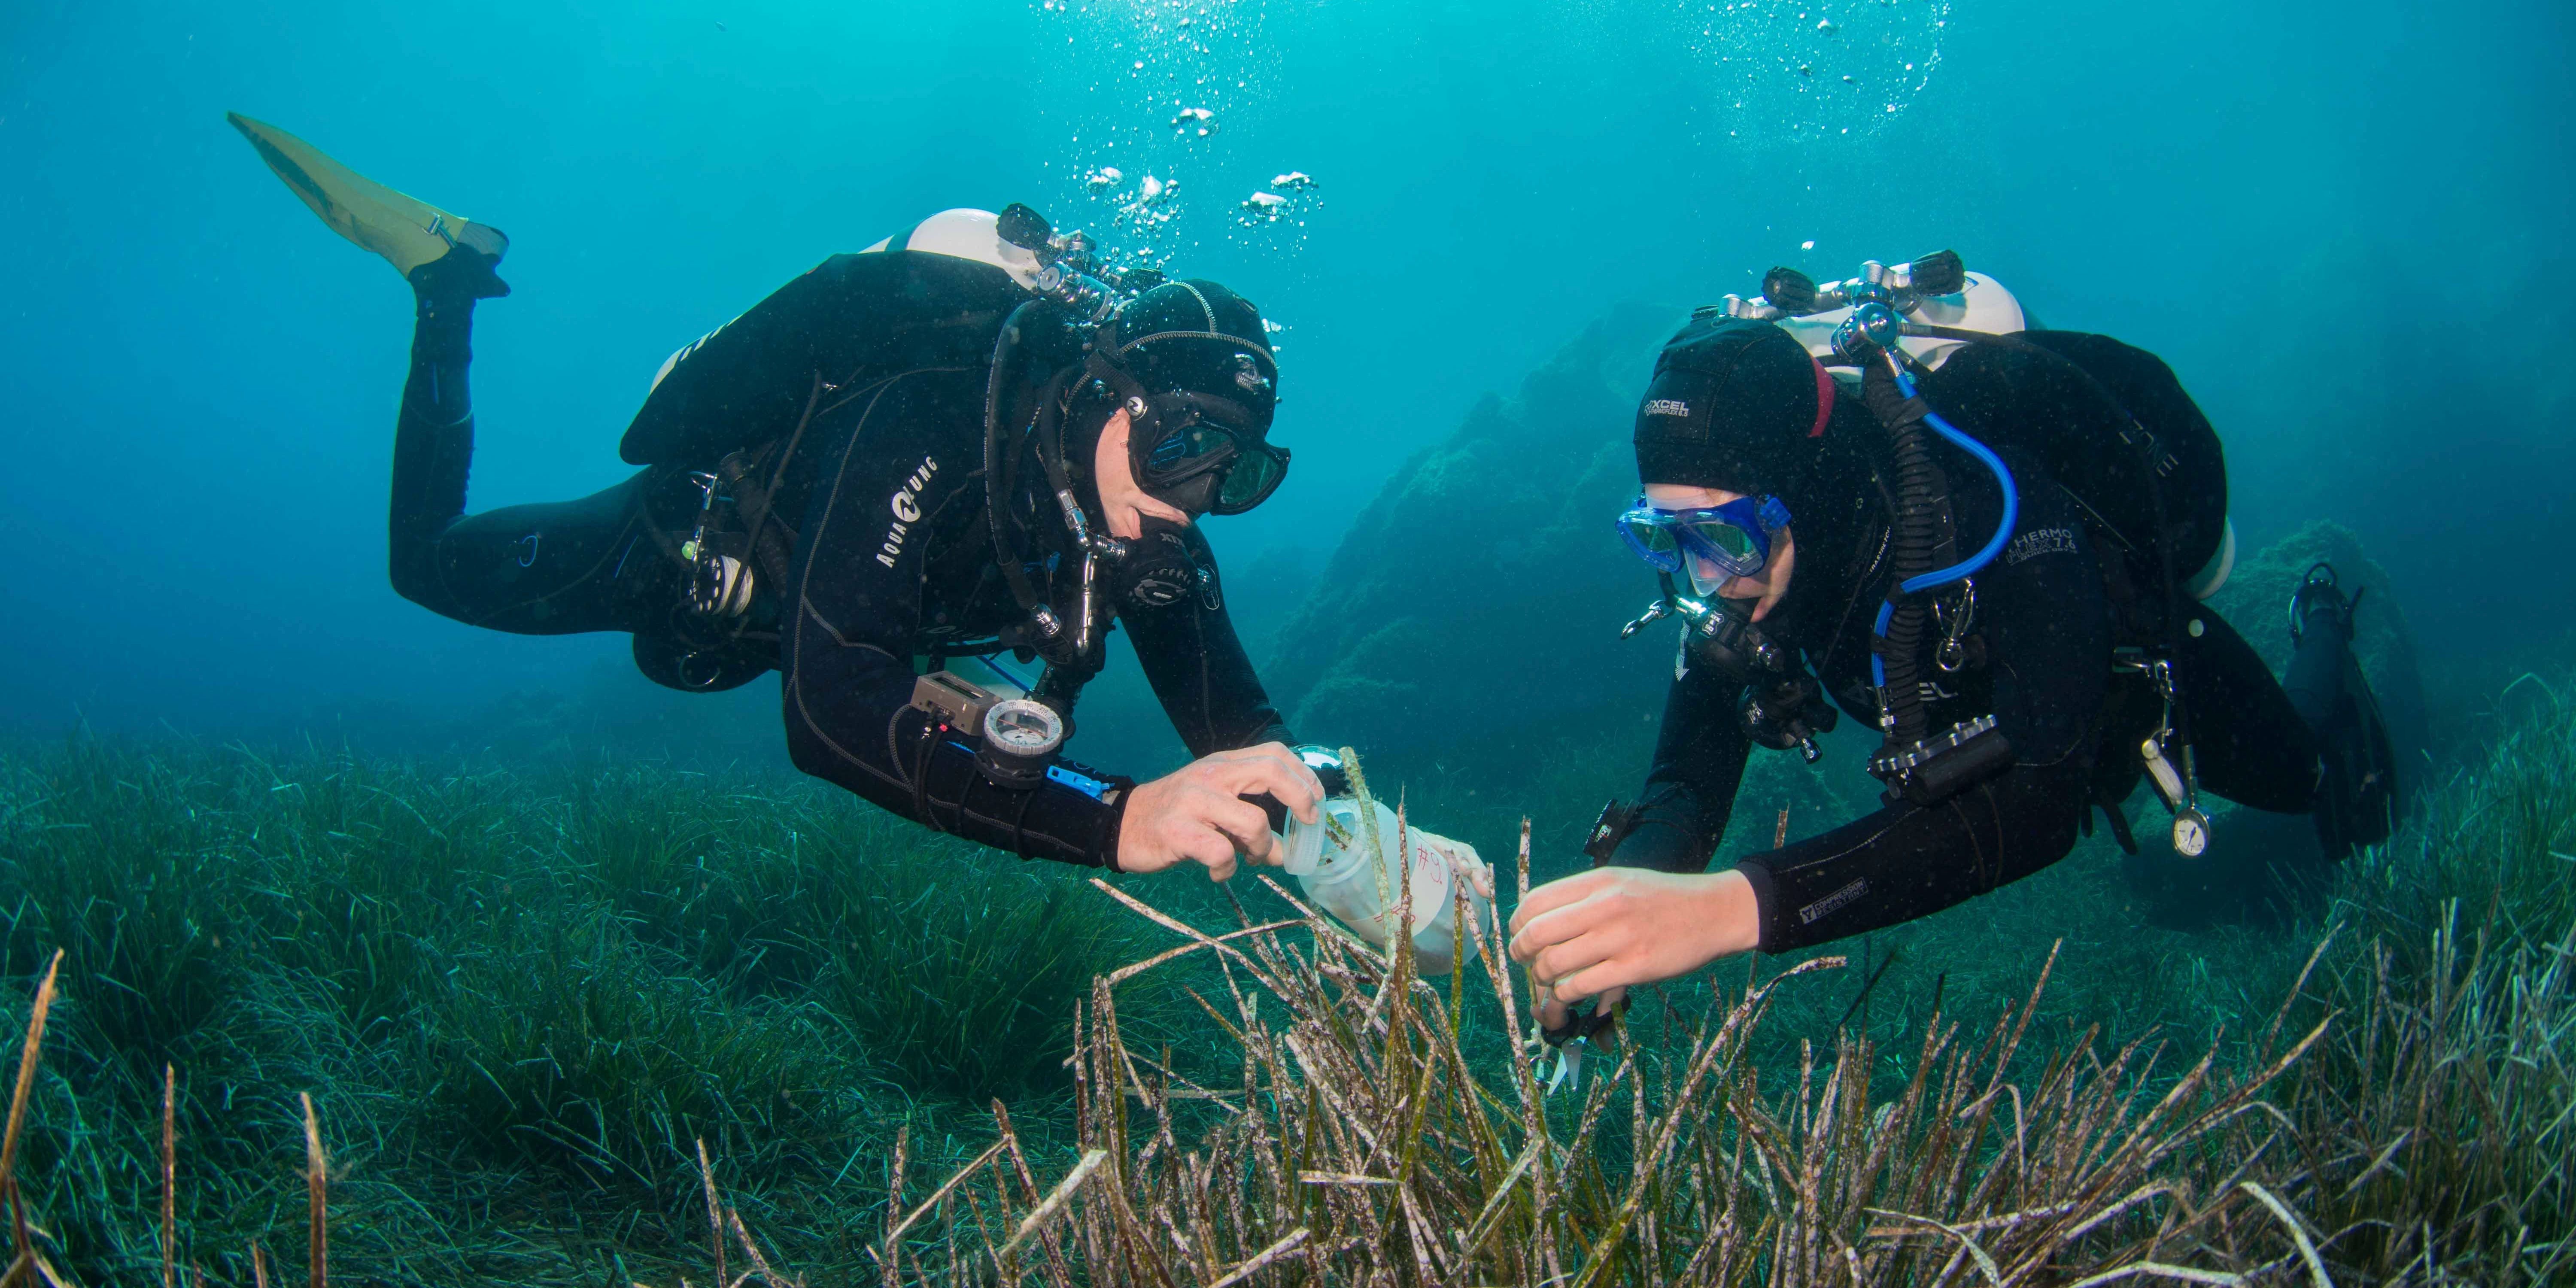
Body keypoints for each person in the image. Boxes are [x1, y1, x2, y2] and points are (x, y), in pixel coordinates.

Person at [231, 113, 1324, 877]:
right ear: (1098, 393)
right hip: (687, 563)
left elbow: (1246, 740)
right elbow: (832, 712)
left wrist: (1377, 853)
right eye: (1185, 444)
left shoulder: (1149, 520)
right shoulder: (930, 422)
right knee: (425, 567)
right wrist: (1116, 817)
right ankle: (445, 277)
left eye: (1239, 472)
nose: (1199, 495)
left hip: (833, 620)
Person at [1508, 278, 2399, 1021]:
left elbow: (2043, 799)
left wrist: (1736, 908)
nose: (1704, 580)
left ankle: (2323, 621)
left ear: (1805, 490)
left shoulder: (1974, 500)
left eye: (1724, 539)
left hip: (2121, 684)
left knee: (2310, 782)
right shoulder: (1750, 572)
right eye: (1667, 540)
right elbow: (1686, 778)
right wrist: (1635, 889)